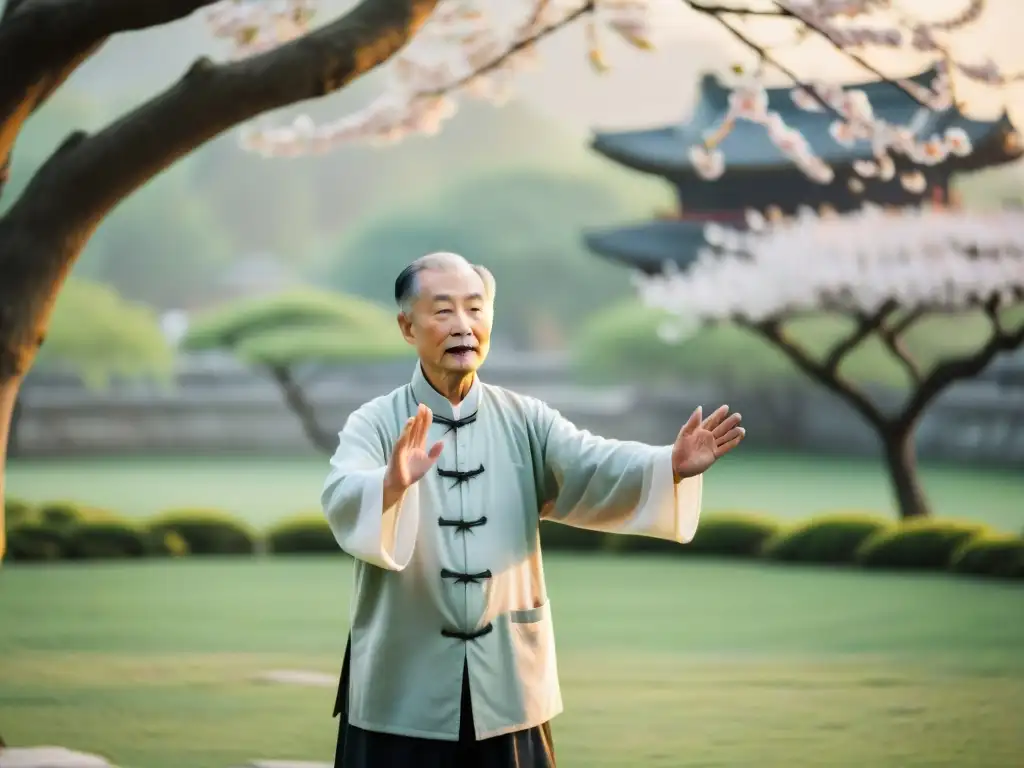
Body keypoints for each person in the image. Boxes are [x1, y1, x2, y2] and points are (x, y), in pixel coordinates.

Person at [322, 252, 745, 767]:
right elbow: (343, 492)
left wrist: (668, 465)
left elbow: (593, 464)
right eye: (443, 311)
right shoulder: (376, 422)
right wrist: (388, 485)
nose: (463, 326)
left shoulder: (526, 420)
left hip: (506, 683)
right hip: (401, 686)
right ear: (407, 327)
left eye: (475, 310)